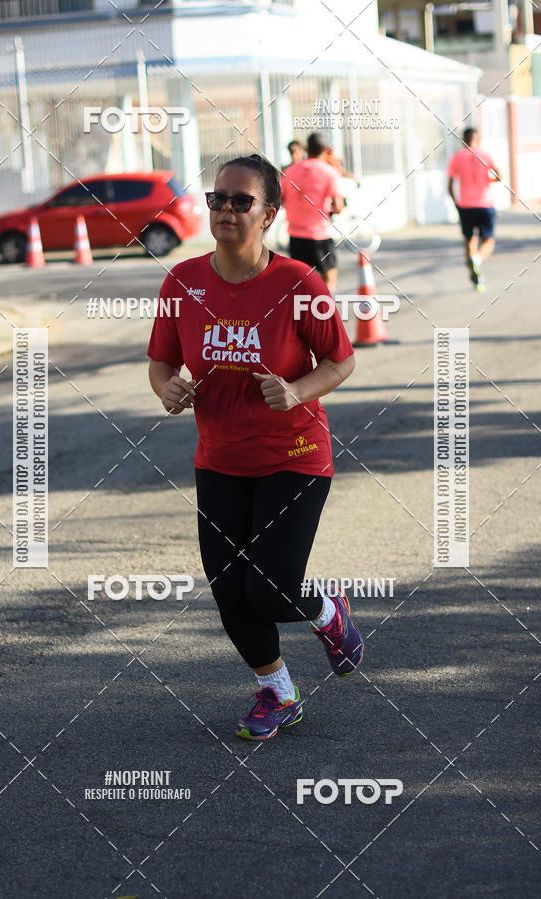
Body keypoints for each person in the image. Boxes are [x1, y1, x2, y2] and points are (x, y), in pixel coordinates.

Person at [147, 153, 364, 742]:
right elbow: (161, 361)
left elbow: (341, 360)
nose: (225, 209)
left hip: (294, 456)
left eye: (240, 201)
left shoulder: (298, 283)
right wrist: (169, 389)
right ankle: (279, 692)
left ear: (268, 213)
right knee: (229, 592)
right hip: (219, 459)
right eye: (218, 198)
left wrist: (296, 392)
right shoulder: (182, 282)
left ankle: (327, 612)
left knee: (266, 589)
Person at [280, 131, 346, 292]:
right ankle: (325, 312)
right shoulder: (330, 172)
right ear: (325, 150)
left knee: (301, 282)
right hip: (319, 235)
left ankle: (303, 313)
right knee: (329, 279)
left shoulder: (290, 171)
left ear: (307, 149)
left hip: (295, 236)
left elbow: (281, 200)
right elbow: (338, 205)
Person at [447, 127, 502, 291]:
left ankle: (477, 278)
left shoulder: (456, 158)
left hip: (465, 206)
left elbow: (449, 185)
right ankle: (477, 259)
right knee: (489, 240)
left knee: (469, 240)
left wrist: (456, 203)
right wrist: (487, 181)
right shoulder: (485, 156)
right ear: (477, 139)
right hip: (485, 204)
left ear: (463, 140)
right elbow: (499, 176)